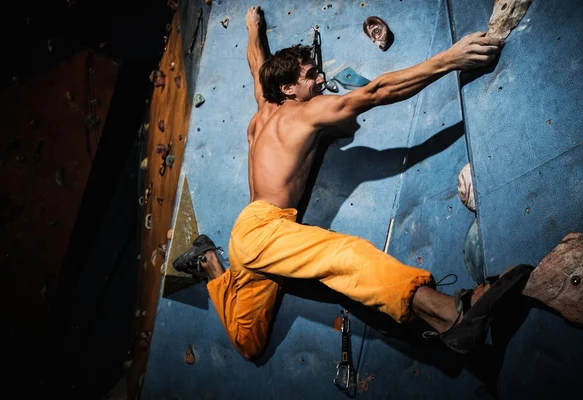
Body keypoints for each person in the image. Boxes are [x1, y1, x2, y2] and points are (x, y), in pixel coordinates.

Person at [174, 5, 533, 359]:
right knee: (345, 256)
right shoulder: (305, 112)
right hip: (262, 230)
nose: (320, 80)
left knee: (249, 342)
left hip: (251, 238)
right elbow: (376, 92)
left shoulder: (263, 107)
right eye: (311, 75)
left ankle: (210, 262)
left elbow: (257, 64)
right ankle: (452, 316)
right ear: (287, 88)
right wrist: (451, 58)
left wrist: (253, 27)